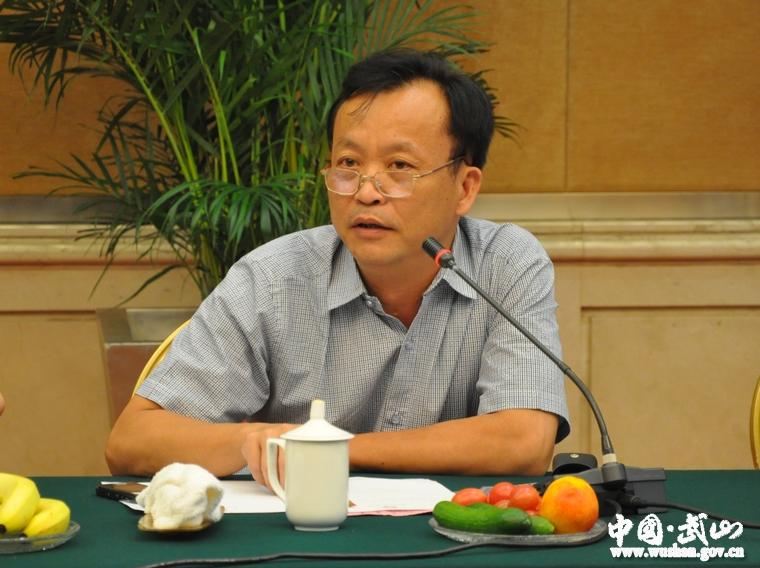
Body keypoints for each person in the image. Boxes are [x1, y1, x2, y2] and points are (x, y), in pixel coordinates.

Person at [106, 49, 569, 485]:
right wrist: (251, 440)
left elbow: (524, 441)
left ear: (464, 188)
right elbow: (132, 442)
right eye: (348, 164)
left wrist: (325, 448)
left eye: (399, 166)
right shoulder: (272, 278)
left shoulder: (505, 265)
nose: (365, 192)